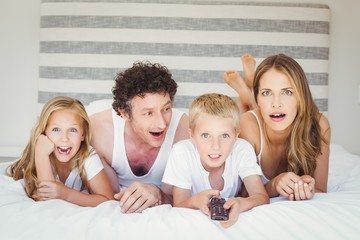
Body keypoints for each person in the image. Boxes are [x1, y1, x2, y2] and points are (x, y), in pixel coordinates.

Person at [224, 53, 331, 201]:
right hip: (251, 119)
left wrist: (306, 187)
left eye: (287, 92)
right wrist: (274, 184)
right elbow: (242, 194)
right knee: (234, 120)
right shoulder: (247, 128)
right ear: (258, 99)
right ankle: (247, 93)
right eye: (266, 93)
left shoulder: (319, 125)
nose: (276, 103)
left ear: (301, 97)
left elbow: (320, 189)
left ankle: (247, 88)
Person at [90, 61, 189, 213]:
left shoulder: (184, 132)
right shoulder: (99, 131)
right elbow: (109, 197)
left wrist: (159, 194)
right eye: (148, 113)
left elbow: (180, 198)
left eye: (166, 109)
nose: (162, 124)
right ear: (124, 113)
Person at [162, 93, 269, 228]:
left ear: (236, 136)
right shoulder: (182, 152)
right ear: (192, 135)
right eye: (206, 135)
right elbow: (179, 204)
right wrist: (195, 202)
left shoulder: (242, 149)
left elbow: (261, 196)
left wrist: (241, 203)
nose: (215, 146)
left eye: (224, 135)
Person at [7, 96, 114, 207]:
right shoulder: (41, 154)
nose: (64, 138)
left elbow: (108, 200)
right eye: (56, 129)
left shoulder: (88, 156)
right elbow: (46, 203)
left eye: (73, 130)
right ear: (44, 132)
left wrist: (66, 194)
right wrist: (41, 155)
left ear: (83, 134)